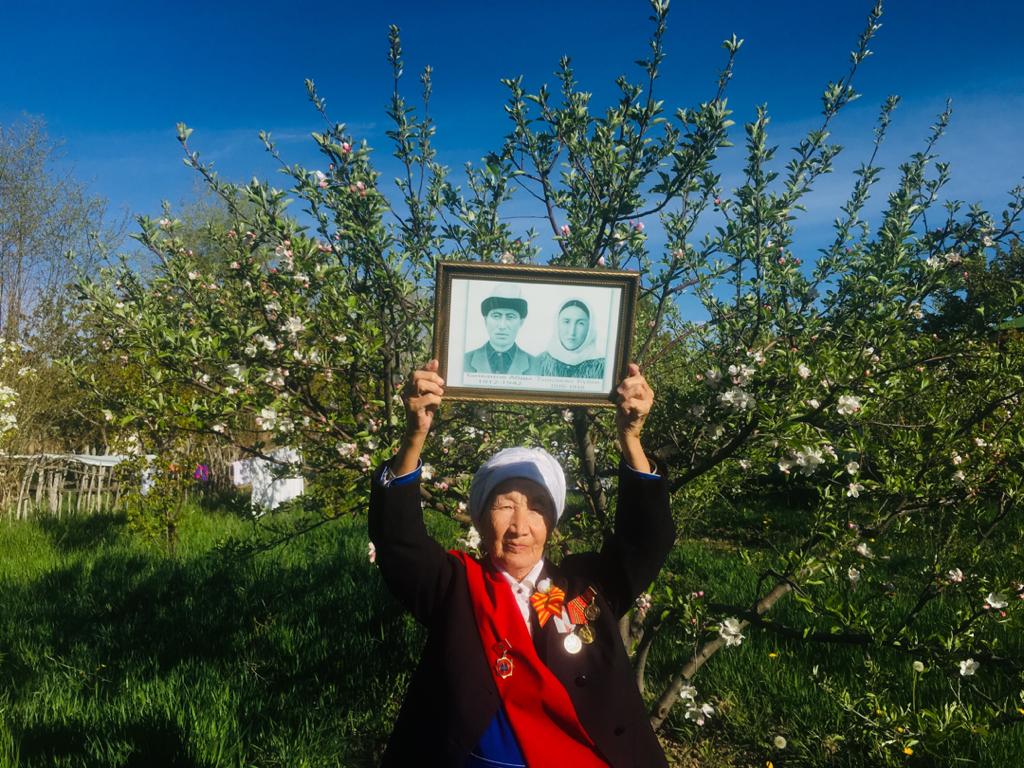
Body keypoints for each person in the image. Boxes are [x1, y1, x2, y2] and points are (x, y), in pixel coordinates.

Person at [368, 359, 675, 767]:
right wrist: (414, 436)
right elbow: (398, 541)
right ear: (480, 518)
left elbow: (646, 542)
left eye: (537, 507)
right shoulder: (455, 586)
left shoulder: (587, 586)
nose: (519, 526)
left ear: (553, 522)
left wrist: (631, 439)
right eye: (504, 505)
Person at [464, 285, 534, 375]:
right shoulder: (463, 361)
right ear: (485, 320)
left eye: (510, 317)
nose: (502, 326)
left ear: (521, 322)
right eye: (496, 316)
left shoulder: (537, 365)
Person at [531, 298, 605, 379]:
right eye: (566, 322)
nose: (572, 332)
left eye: (580, 323)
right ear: (557, 324)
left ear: (590, 327)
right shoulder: (537, 363)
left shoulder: (603, 368)